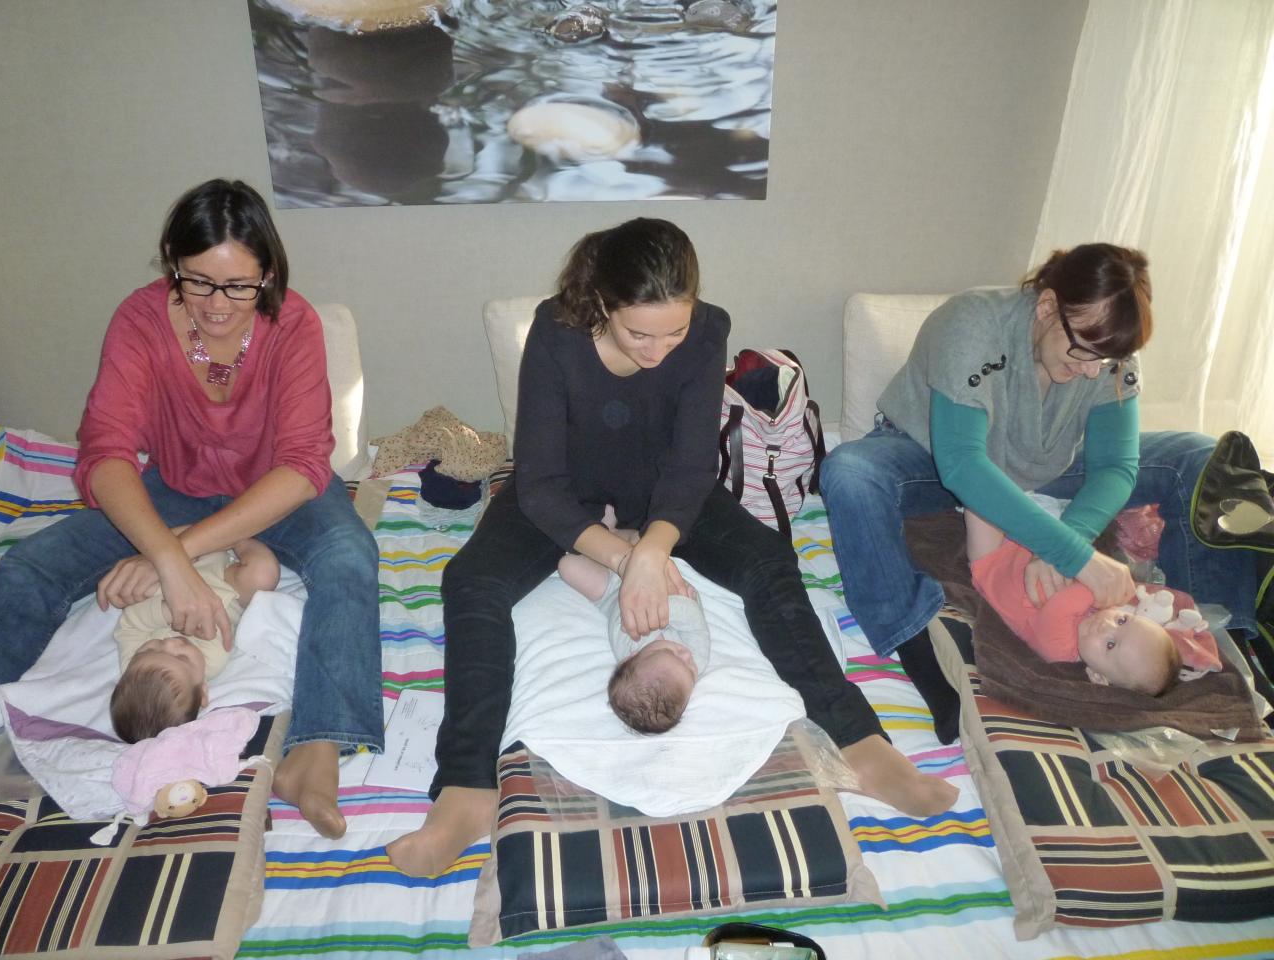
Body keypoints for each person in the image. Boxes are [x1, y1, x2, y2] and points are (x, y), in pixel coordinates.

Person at [386, 217, 957, 878]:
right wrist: (625, 560)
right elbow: (538, 484)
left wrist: (655, 549)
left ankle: (859, 741)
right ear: (602, 302)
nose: (658, 351)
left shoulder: (709, 329)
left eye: (674, 331)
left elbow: (691, 470)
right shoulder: (557, 330)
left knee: (769, 558)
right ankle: (466, 788)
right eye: (638, 333)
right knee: (470, 582)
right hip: (565, 494)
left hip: (664, 493)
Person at [0, 179, 384, 838]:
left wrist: (188, 548)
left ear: (267, 274)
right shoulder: (140, 321)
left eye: (240, 286)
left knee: (349, 558)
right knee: (29, 567)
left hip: (277, 492)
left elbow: (303, 467)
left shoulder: (294, 324)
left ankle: (316, 749)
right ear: (172, 261)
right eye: (198, 282)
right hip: (173, 489)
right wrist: (167, 556)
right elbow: (106, 455)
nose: (219, 305)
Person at [819, 243, 1259, 742]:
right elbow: (963, 464)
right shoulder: (973, 325)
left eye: (1108, 359)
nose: (1095, 371)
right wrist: (1077, 557)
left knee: (1199, 455)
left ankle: (1227, 647)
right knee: (848, 473)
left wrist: (1068, 541)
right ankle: (913, 645)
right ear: (1047, 306)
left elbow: (1116, 465)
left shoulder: (1106, 349)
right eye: (1083, 353)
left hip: (1045, 466)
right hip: (930, 460)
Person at [964, 510, 1180, 696]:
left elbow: (1060, 605)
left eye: (1110, 644)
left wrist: (1100, 587)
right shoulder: (1096, 613)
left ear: (1098, 676)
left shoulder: (1061, 650)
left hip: (992, 561)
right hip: (1027, 546)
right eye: (1122, 621)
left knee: (976, 498)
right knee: (1006, 483)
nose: (1107, 626)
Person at [111, 535, 281, 743]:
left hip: (167, 578)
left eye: (152, 650)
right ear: (203, 692)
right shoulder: (212, 661)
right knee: (263, 574)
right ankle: (236, 538)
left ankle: (192, 538)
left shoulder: (133, 668)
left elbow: (130, 624)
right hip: (221, 581)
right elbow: (212, 622)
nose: (171, 643)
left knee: (128, 590)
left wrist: (169, 611)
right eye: (182, 658)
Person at [557, 506, 708, 734]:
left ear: (631, 657)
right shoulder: (699, 659)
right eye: (689, 668)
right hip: (665, 584)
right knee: (642, 543)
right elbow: (694, 622)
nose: (687, 656)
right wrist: (670, 605)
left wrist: (657, 610)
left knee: (567, 566)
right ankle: (611, 535)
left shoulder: (631, 645)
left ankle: (604, 535)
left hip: (613, 594)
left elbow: (626, 616)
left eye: (673, 654)